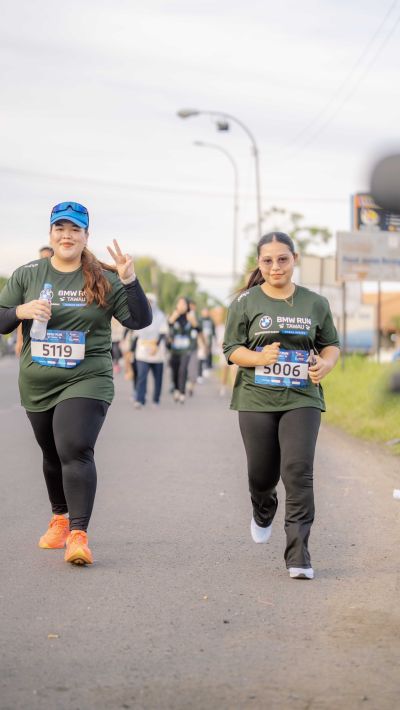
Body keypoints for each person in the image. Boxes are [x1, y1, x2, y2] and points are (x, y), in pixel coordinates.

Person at [0, 201, 152, 566]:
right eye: (61, 228)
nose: (67, 236)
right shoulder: (28, 274)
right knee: (52, 453)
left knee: (75, 447)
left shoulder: (104, 277)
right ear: (51, 233)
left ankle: (78, 536)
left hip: (87, 377)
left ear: (86, 236)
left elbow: (139, 321)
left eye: (75, 230)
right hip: (38, 382)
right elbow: (2, 320)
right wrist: (21, 310)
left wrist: (130, 280)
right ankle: (60, 519)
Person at [223, 232, 340, 580]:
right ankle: (263, 509)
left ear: (294, 259)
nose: (275, 266)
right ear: (259, 263)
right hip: (256, 397)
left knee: (298, 472)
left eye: (283, 259)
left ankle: (298, 554)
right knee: (262, 475)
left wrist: (326, 364)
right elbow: (231, 350)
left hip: (302, 396)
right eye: (268, 260)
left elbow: (331, 345)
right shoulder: (245, 302)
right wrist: (260, 357)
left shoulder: (315, 303)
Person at [15, 246, 54, 357]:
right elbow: (22, 313)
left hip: (57, 338)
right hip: (35, 336)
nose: (44, 261)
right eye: (42, 258)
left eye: (47, 258)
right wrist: (19, 340)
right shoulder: (31, 281)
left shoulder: (63, 278)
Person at [133, 293, 168, 409]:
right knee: (141, 376)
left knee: (158, 378)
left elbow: (163, 333)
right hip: (142, 350)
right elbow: (136, 334)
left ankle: (156, 399)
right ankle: (140, 399)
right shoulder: (139, 314)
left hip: (157, 352)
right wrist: (131, 350)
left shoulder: (161, 316)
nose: (149, 304)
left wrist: (156, 346)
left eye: (151, 301)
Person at [168, 296, 198, 404]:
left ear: (187, 306)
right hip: (175, 349)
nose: (181, 305)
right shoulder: (174, 315)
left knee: (183, 369)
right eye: (179, 303)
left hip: (186, 349)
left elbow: (198, 329)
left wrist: (193, 321)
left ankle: (182, 392)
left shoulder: (190, 316)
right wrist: (174, 316)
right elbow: (168, 325)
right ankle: (176, 389)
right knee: (175, 370)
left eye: (184, 304)